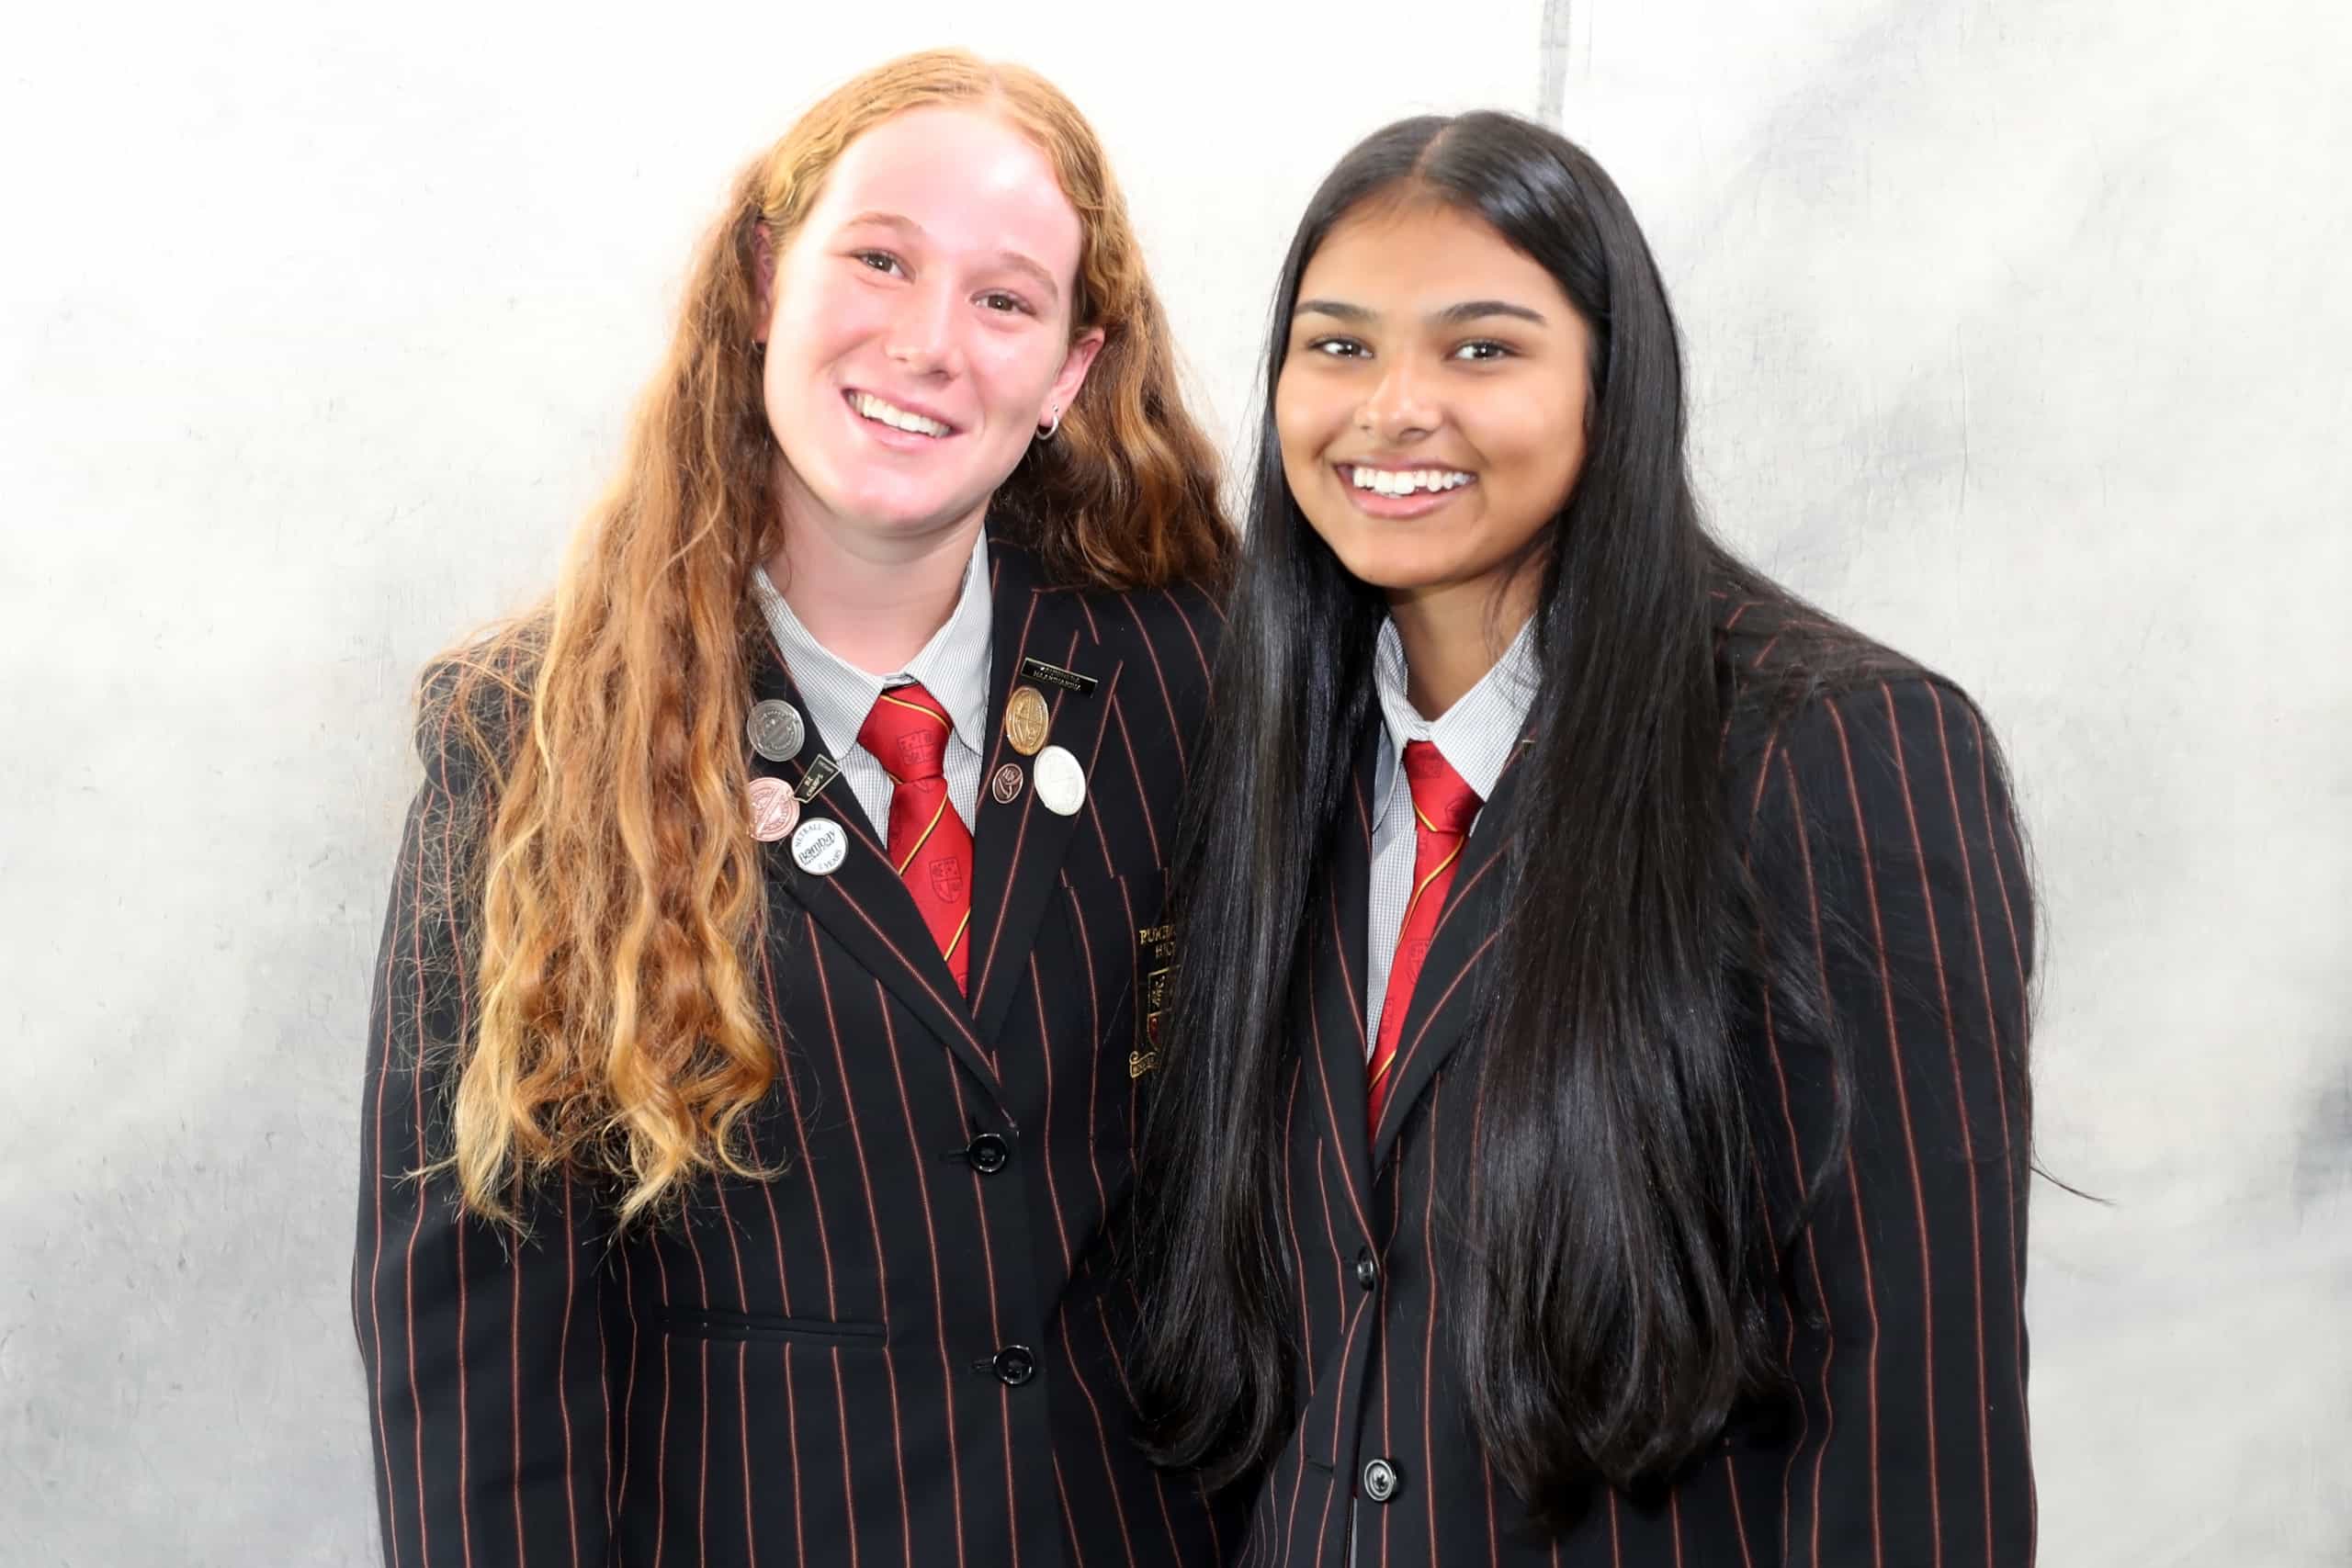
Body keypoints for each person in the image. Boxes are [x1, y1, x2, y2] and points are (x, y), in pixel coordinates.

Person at [352, 50, 1236, 1567]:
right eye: (880, 260)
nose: (928, 343)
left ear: (1069, 374)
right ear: (767, 278)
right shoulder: (530, 738)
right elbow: (476, 1334)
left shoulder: (1188, 671)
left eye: (1004, 299)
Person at [1136, 111, 2038, 1566]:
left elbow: (1914, 1396)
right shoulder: (1260, 751)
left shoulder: (1834, 747)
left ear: (1612, 388)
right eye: (1340, 345)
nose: (1394, 409)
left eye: (1481, 349)